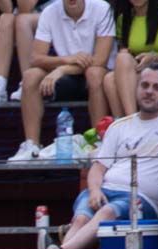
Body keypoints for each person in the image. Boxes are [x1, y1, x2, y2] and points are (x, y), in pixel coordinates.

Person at [49, 64, 158, 249]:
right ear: (137, 87)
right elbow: (98, 168)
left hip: (143, 200)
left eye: (157, 87)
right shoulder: (119, 126)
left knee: (107, 212)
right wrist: (93, 191)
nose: (149, 91)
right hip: (104, 190)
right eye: (145, 85)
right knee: (81, 219)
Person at [8, 0, 115, 162]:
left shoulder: (102, 8)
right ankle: (31, 145)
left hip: (98, 74)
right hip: (66, 76)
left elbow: (100, 60)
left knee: (94, 73)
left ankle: (98, 143)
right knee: (31, 76)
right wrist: (66, 60)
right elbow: (36, 58)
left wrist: (61, 69)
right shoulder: (50, 12)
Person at [102, 0, 158, 118]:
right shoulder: (124, 18)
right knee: (110, 77)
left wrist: (155, 58)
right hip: (142, 69)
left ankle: (133, 121)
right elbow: (124, 52)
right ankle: (128, 121)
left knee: (112, 76)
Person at [0, 0, 39, 103]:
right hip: (25, 14)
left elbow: (26, 8)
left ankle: (28, 84)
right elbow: (7, 9)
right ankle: (0, 85)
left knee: (22, 21)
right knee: (5, 18)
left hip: (50, 12)